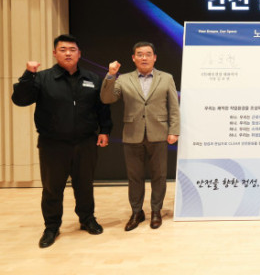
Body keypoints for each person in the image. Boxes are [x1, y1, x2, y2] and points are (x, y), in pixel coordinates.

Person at [11, 34, 112, 248]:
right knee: (52, 188)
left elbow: (102, 107)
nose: (68, 53)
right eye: (63, 49)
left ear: (79, 54)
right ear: (54, 53)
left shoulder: (92, 78)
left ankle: (87, 219)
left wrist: (105, 130)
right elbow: (20, 100)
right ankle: (51, 227)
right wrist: (28, 74)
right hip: (52, 144)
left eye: (72, 50)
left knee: (84, 185)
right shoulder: (42, 78)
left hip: (85, 142)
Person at [100, 41, 180, 231]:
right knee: (134, 177)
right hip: (132, 134)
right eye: (140, 54)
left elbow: (173, 107)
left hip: (159, 133)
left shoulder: (166, 78)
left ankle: (156, 211)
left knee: (159, 176)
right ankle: (136, 212)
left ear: (155, 57)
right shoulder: (123, 79)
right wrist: (110, 75)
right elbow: (107, 98)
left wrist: (174, 130)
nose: (144, 57)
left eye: (148, 54)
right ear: (133, 58)